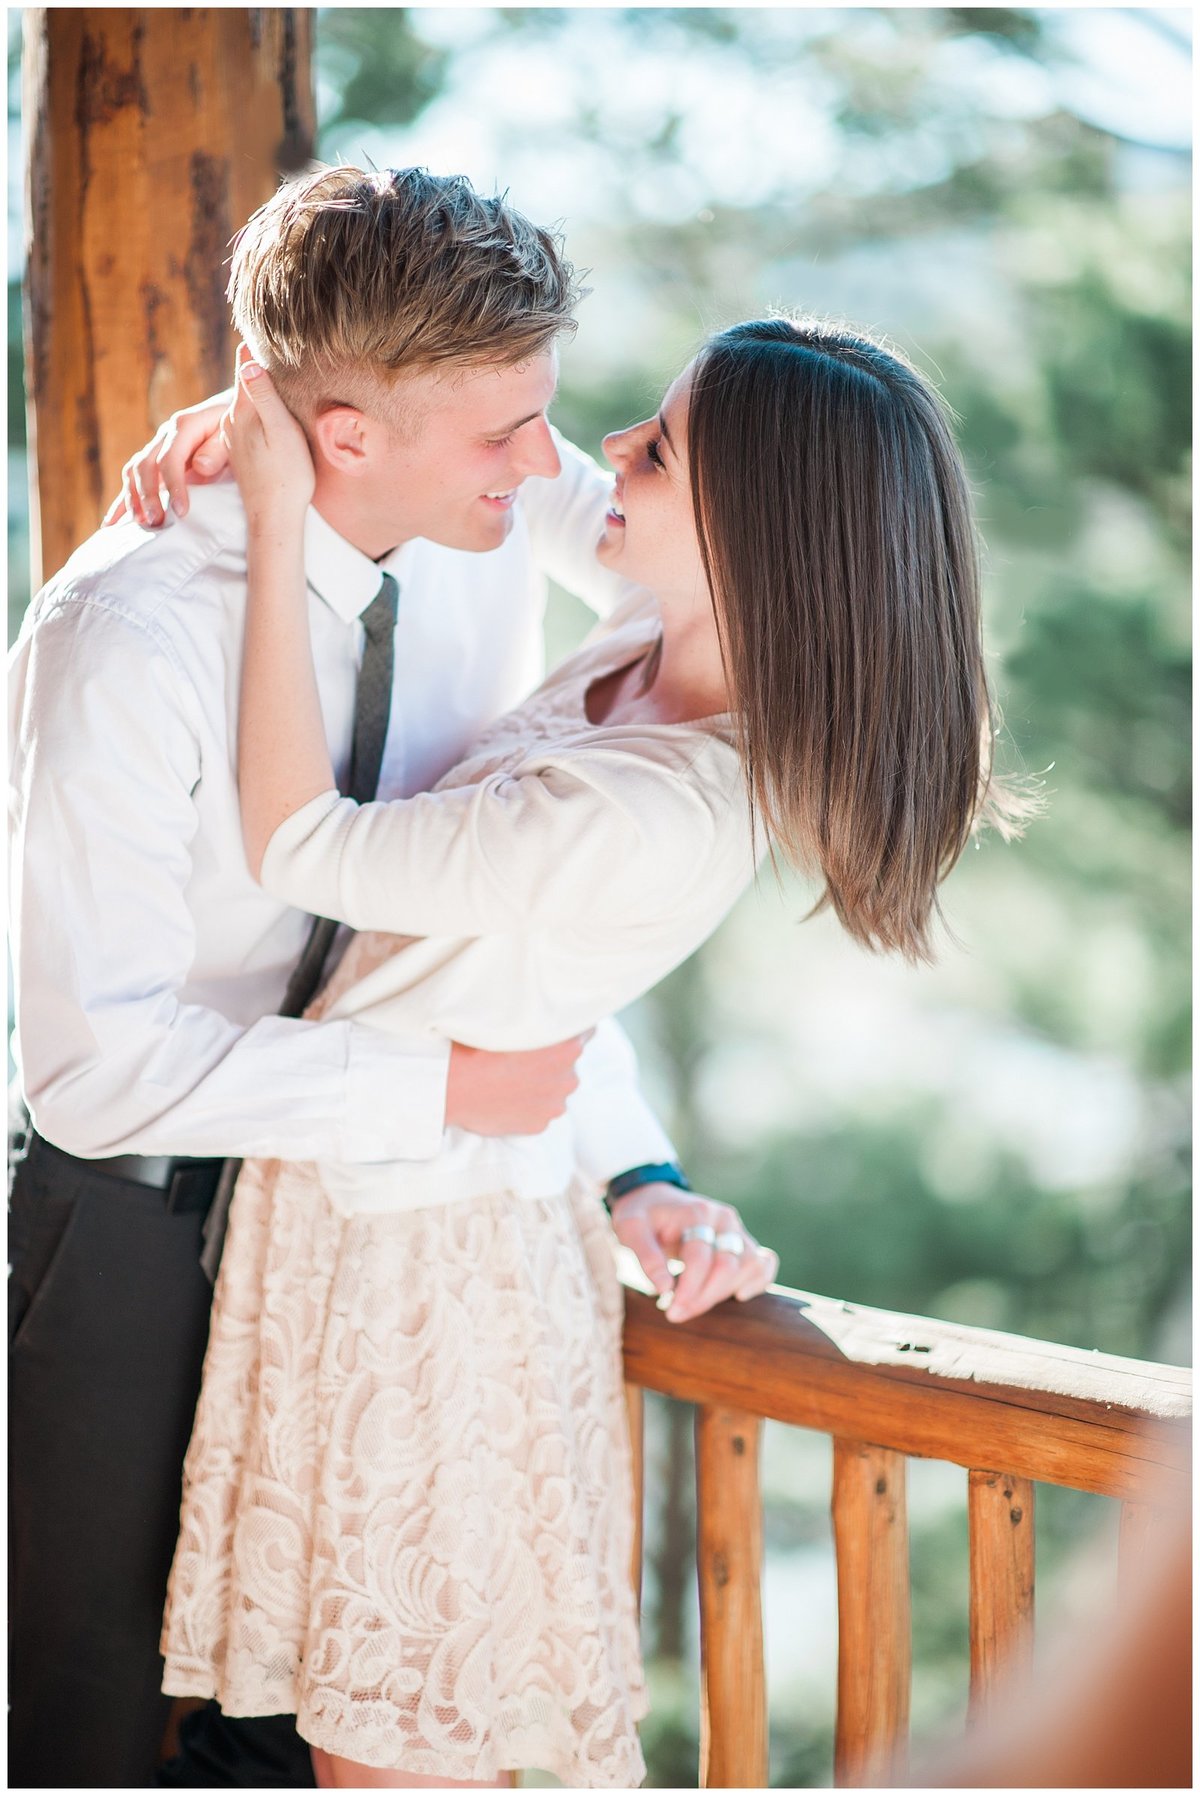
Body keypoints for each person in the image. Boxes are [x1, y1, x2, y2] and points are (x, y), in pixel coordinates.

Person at [140, 291, 1023, 1787]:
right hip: (379, 1218)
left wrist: (280, 519)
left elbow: (300, 841)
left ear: (754, 538)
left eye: (661, 449)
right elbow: (492, 462)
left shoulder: (654, 804)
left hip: (427, 1287)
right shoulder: (650, 639)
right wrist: (268, 420)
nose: (606, 446)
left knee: (393, 1747)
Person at [7, 166, 767, 1792]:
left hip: (377, 1247)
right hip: (146, 1229)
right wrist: (433, 1097)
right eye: (509, 429)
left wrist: (630, 1164)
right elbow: (91, 1068)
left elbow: (532, 891)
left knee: (303, 1738)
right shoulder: (129, 635)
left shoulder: (482, 509)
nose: (550, 464)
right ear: (345, 434)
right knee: (84, 1740)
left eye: (546, 418)